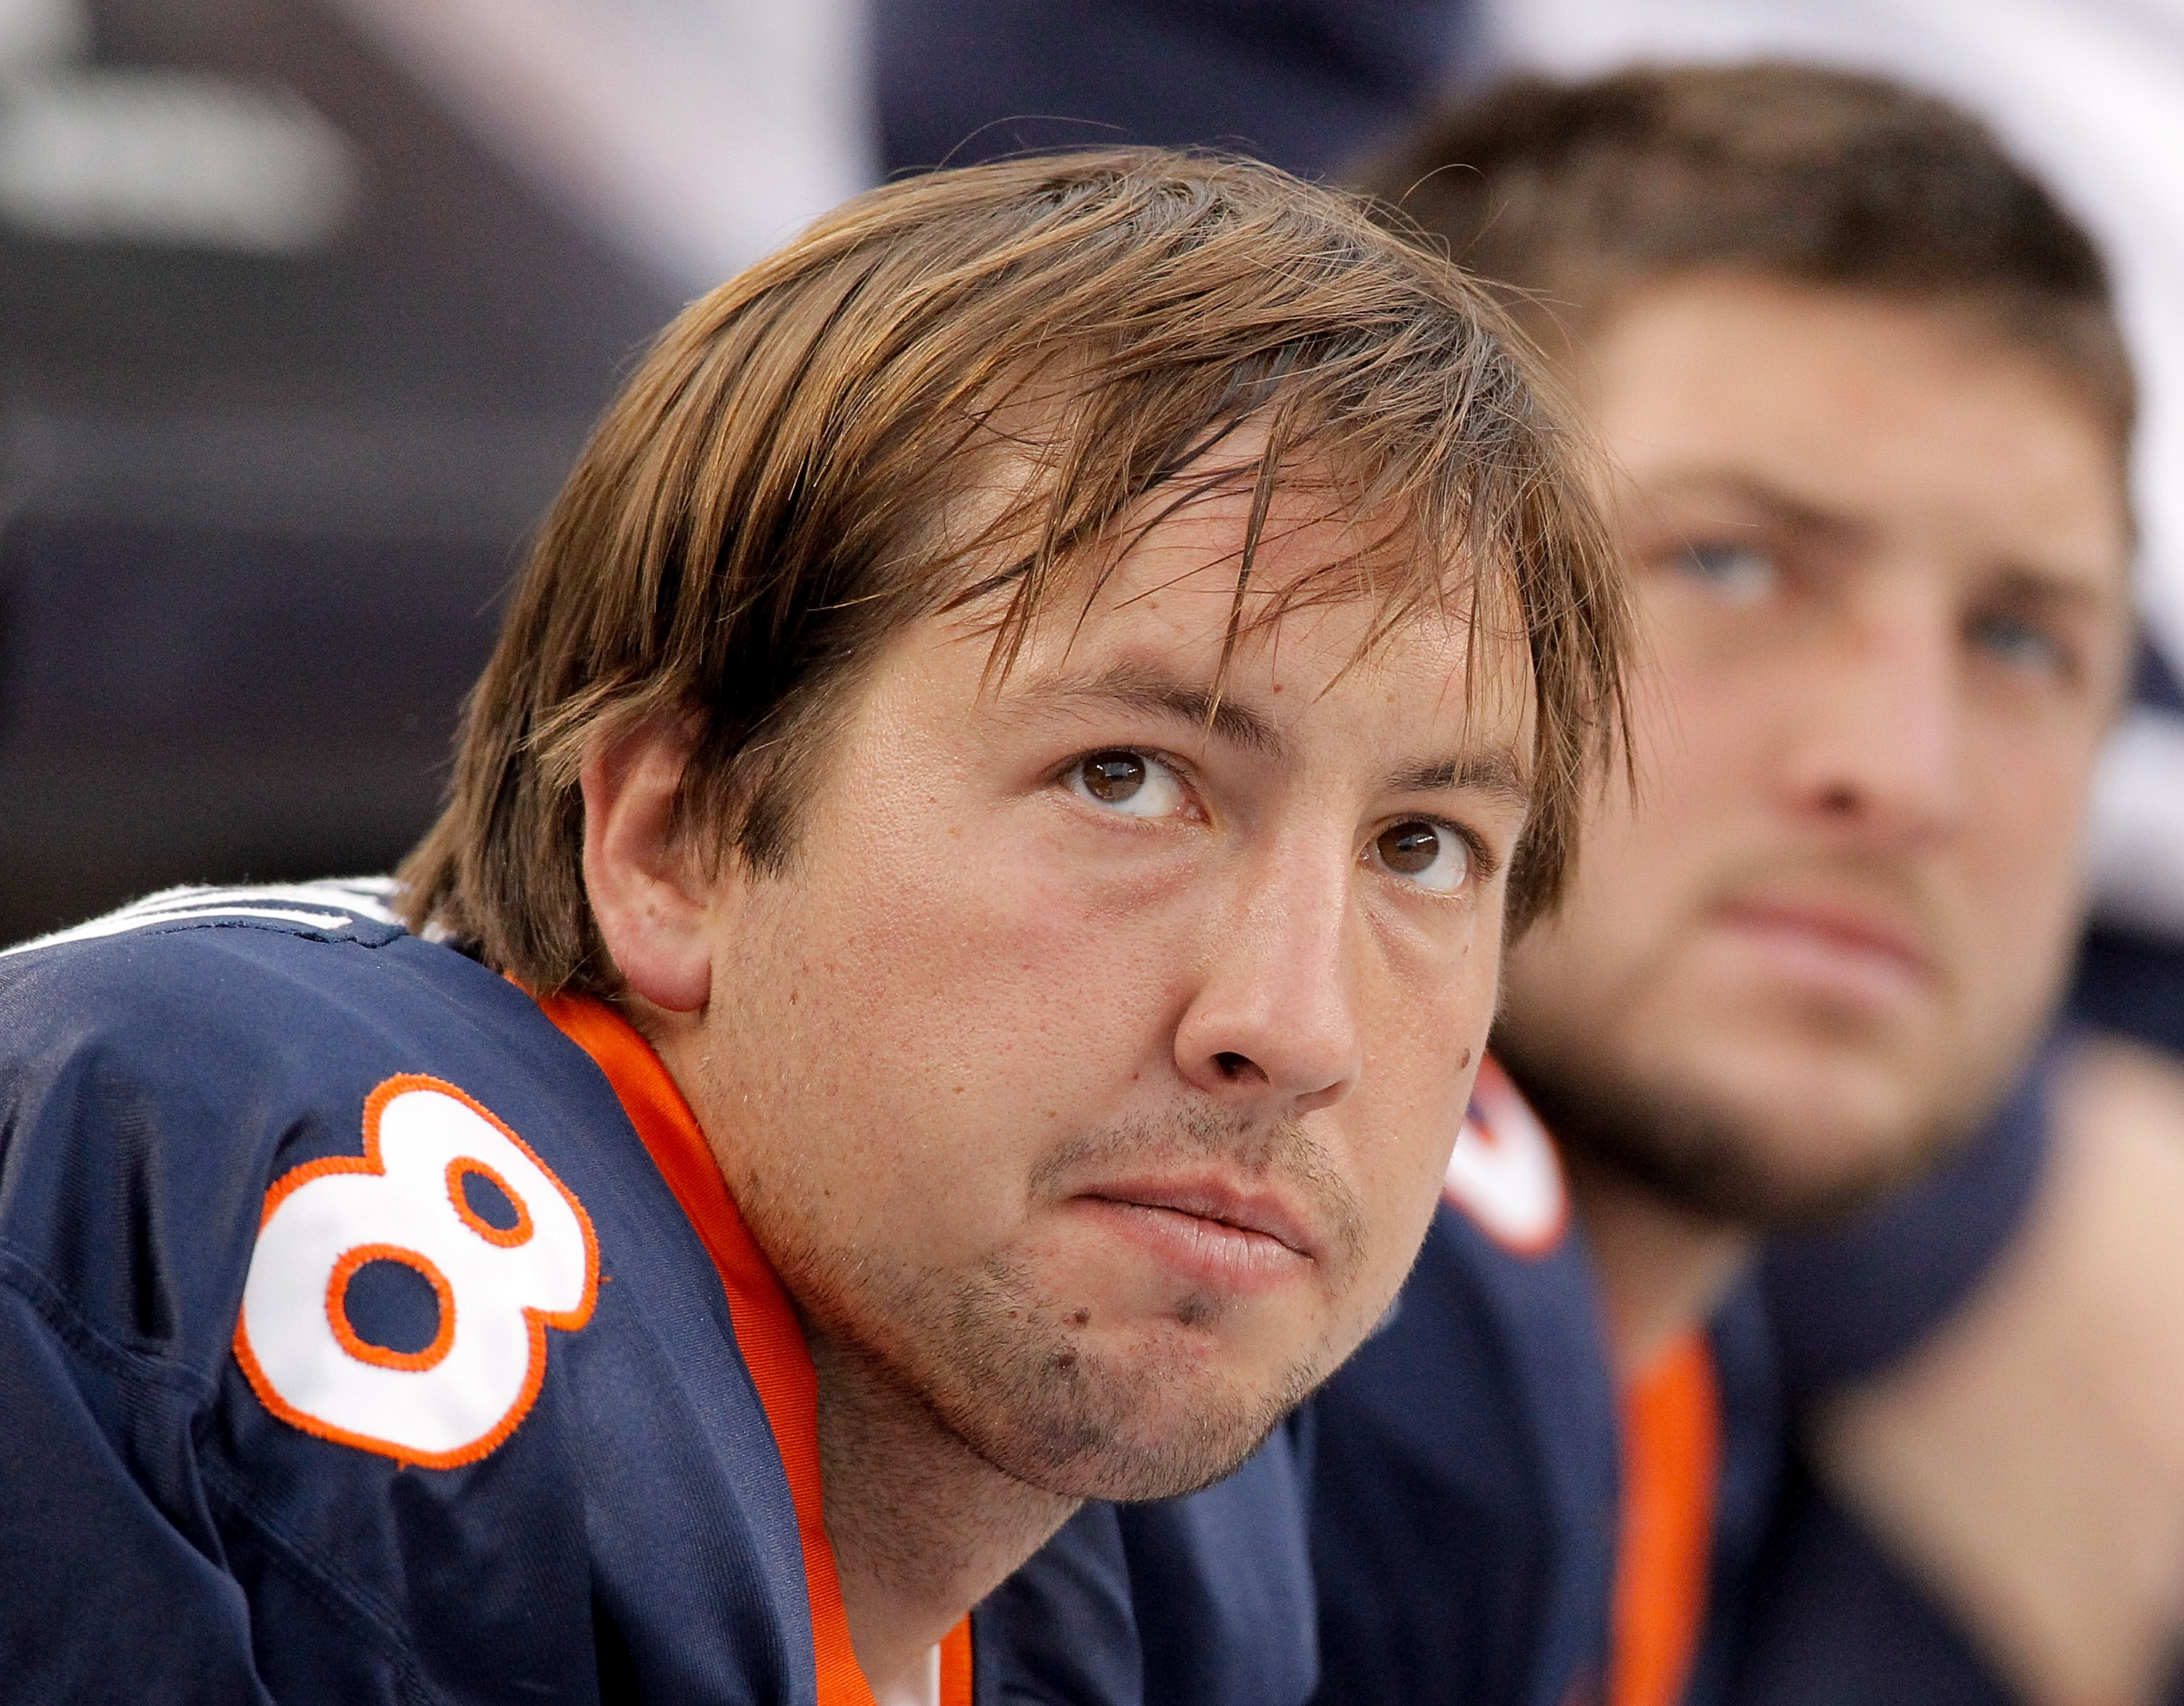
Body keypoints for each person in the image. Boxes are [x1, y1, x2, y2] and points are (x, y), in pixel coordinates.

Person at [0, 147, 1629, 1702]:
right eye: (1125, 779)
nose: (1294, 1024)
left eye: (1423, 844)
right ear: (675, 837)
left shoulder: (1185, 1553)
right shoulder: (210, 1217)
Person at [1315, 62, 2145, 1706]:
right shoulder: (1184, 1419)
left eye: (2018, 638)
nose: (1900, 772)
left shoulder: (1674, 1386)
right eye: (1732, 563)